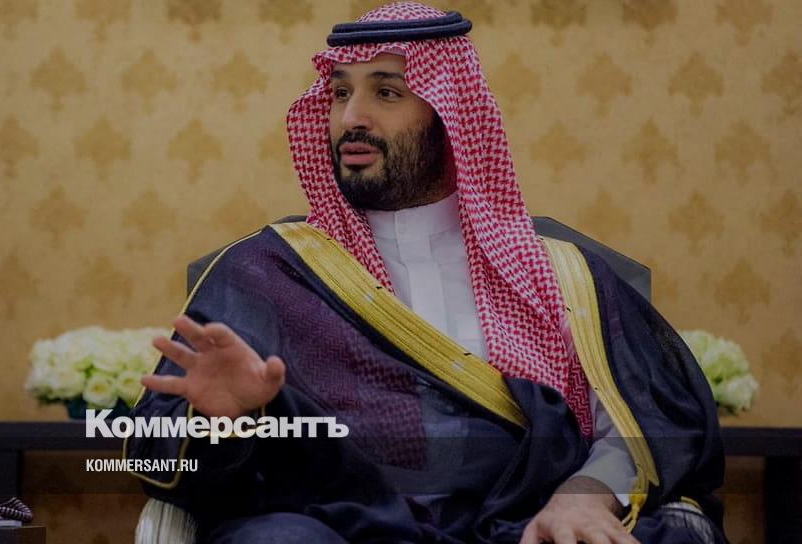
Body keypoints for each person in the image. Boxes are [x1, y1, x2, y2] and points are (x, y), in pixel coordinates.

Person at [126, 3, 726, 543]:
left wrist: (585, 496)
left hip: (523, 530)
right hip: (337, 528)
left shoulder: (560, 275)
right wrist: (224, 422)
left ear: (451, 114)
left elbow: (649, 421)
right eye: (339, 93)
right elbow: (151, 452)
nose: (351, 117)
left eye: (386, 93)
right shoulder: (269, 272)